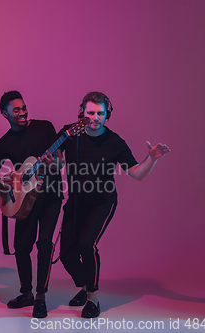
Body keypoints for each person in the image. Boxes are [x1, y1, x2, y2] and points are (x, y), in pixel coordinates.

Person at [58, 91, 171, 318]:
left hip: (102, 201)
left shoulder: (114, 141)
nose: (95, 117)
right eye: (91, 112)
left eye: (100, 113)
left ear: (107, 114)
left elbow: (137, 174)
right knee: (66, 255)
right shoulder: (70, 133)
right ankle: (84, 285)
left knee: (86, 245)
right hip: (77, 201)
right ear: (82, 112)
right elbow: (58, 160)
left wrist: (152, 158)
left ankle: (93, 299)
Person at [0, 91, 64, 318]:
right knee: (22, 247)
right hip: (24, 200)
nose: (22, 112)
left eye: (23, 107)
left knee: (44, 243)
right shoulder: (2, 145)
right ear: (4, 114)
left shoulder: (45, 127)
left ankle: (40, 298)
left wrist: (53, 163)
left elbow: (60, 162)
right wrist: (6, 182)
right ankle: (26, 294)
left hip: (51, 195)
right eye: (16, 110)